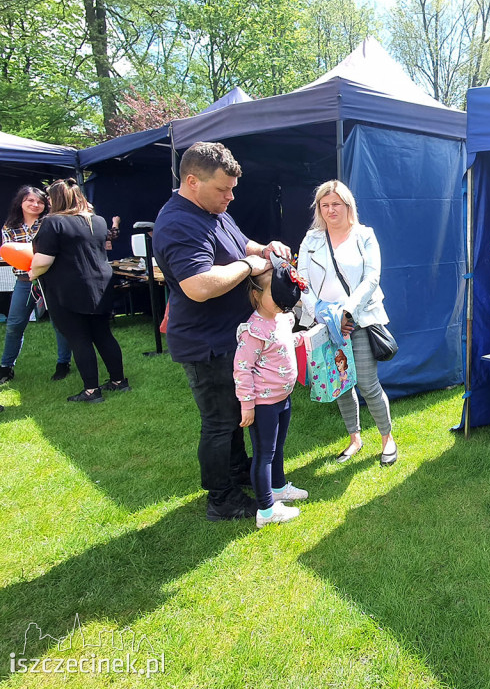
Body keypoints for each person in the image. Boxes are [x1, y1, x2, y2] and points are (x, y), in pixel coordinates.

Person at [153, 141, 290, 522]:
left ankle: (235, 473)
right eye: (223, 189)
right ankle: (222, 499)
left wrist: (264, 250)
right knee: (219, 422)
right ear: (192, 181)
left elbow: (237, 244)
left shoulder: (213, 209)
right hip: (206, 342)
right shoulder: (178, 221)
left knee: (232, 417)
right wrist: (249, 266)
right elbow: (197, 284)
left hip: (230, 337)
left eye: (232, 189)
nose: (230, 196)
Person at [297, 180, 397, 467]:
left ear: (348, 206)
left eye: (336, 204)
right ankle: (355, 438)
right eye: (324, 205)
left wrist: (347, 313)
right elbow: (302, 281)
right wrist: (324, 315)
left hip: (359, 321)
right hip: (326, 324)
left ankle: (387, 438)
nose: (330, 210)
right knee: (341, 384)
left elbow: (372, 278)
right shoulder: (311, 240)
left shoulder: (364, 235)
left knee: (367, 383)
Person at [28, 180, 128, 402]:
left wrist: (32, 272)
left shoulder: (53, 222)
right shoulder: (99, 221)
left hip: (69, 288)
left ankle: (91, 391)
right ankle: (119, 381)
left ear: (57, 199)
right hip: (100, 284)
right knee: (102, 334)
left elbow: (44, 260)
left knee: (78, 337)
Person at [233, 256, 309, 528]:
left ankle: (278, 487)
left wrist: (306, 336)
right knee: (264, 453)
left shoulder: (281, 319)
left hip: (283, 399)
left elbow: (284, 343)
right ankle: (266, 510)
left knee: (278, 448)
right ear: (256, 294)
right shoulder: (253, 331)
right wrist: (247, 405)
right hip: (264, 403)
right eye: (273, 295)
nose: (280, 301)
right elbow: (242, 368)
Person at [1, 186, 73, 383]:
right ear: (20, 202)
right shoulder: (10, 226)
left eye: (40, 202)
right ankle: (6, 367)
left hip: (51, 281)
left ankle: (63, 363)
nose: (35, 205)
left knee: (59, 324)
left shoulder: (50, 223)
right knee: (15, 324)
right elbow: (9, 254)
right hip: (25, 281)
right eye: (30, 201)